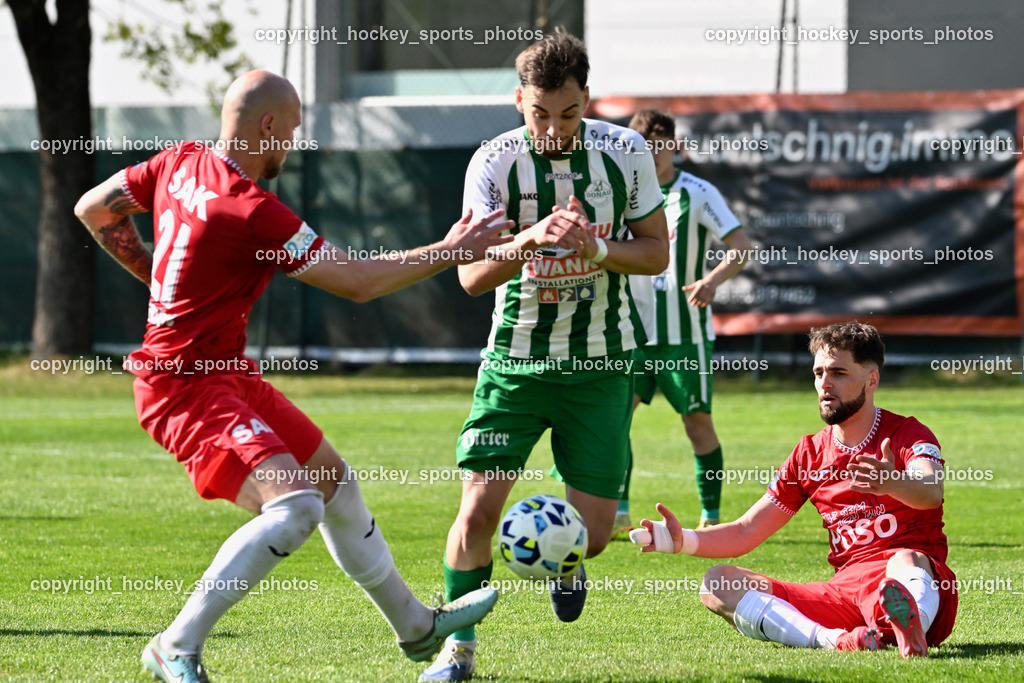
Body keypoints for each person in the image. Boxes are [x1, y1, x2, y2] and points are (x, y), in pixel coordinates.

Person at [74, 70, 512, 683]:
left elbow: (91, 208)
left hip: (225, 374)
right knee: (296, 508)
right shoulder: (254, 210)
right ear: (269, 126)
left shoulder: (179, 162)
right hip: (185, 386)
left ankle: (416, 627)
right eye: (293, 132)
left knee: (334, 483)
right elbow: (358, 282)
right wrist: (449, 249)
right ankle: (175, 644)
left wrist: (158, 285)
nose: (293, 145)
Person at [420, 30, 669, 683]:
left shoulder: (627, 152)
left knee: (589, 535)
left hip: (600, 367)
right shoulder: (494, 163)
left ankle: (566, 557)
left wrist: (599, 253)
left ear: (588, 100)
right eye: (539, 113)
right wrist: (530, 238)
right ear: (518, 99)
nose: (554, 128)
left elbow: (656, 252)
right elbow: (469, 277)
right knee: (477, 509)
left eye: (569, 113)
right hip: (515, 367)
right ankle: (458, 649)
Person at [630, 322, 957, 657]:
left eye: (839, 373)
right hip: (844, 593)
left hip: (914, 579)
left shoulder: (907, 433)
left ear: (871, 380)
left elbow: (930, 489)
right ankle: (834, 640)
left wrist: (892, 482)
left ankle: (912, 623)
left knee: (907, 559)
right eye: (818, 373)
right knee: (717, 584)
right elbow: (747, 530)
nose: (824, 384)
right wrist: (682, 540)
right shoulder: (809, 453)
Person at [616, 109, 752, 536]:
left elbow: (741, 247)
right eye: (644, 146)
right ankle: (618, 511)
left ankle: (711, 516)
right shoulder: (623, 191)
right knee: (615, 420)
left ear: (674, 145)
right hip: (632, 331)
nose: (653, 154)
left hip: (685, 336)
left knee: (698, 425)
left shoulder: (697, 192)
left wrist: (711, 282)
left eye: (660, 144)